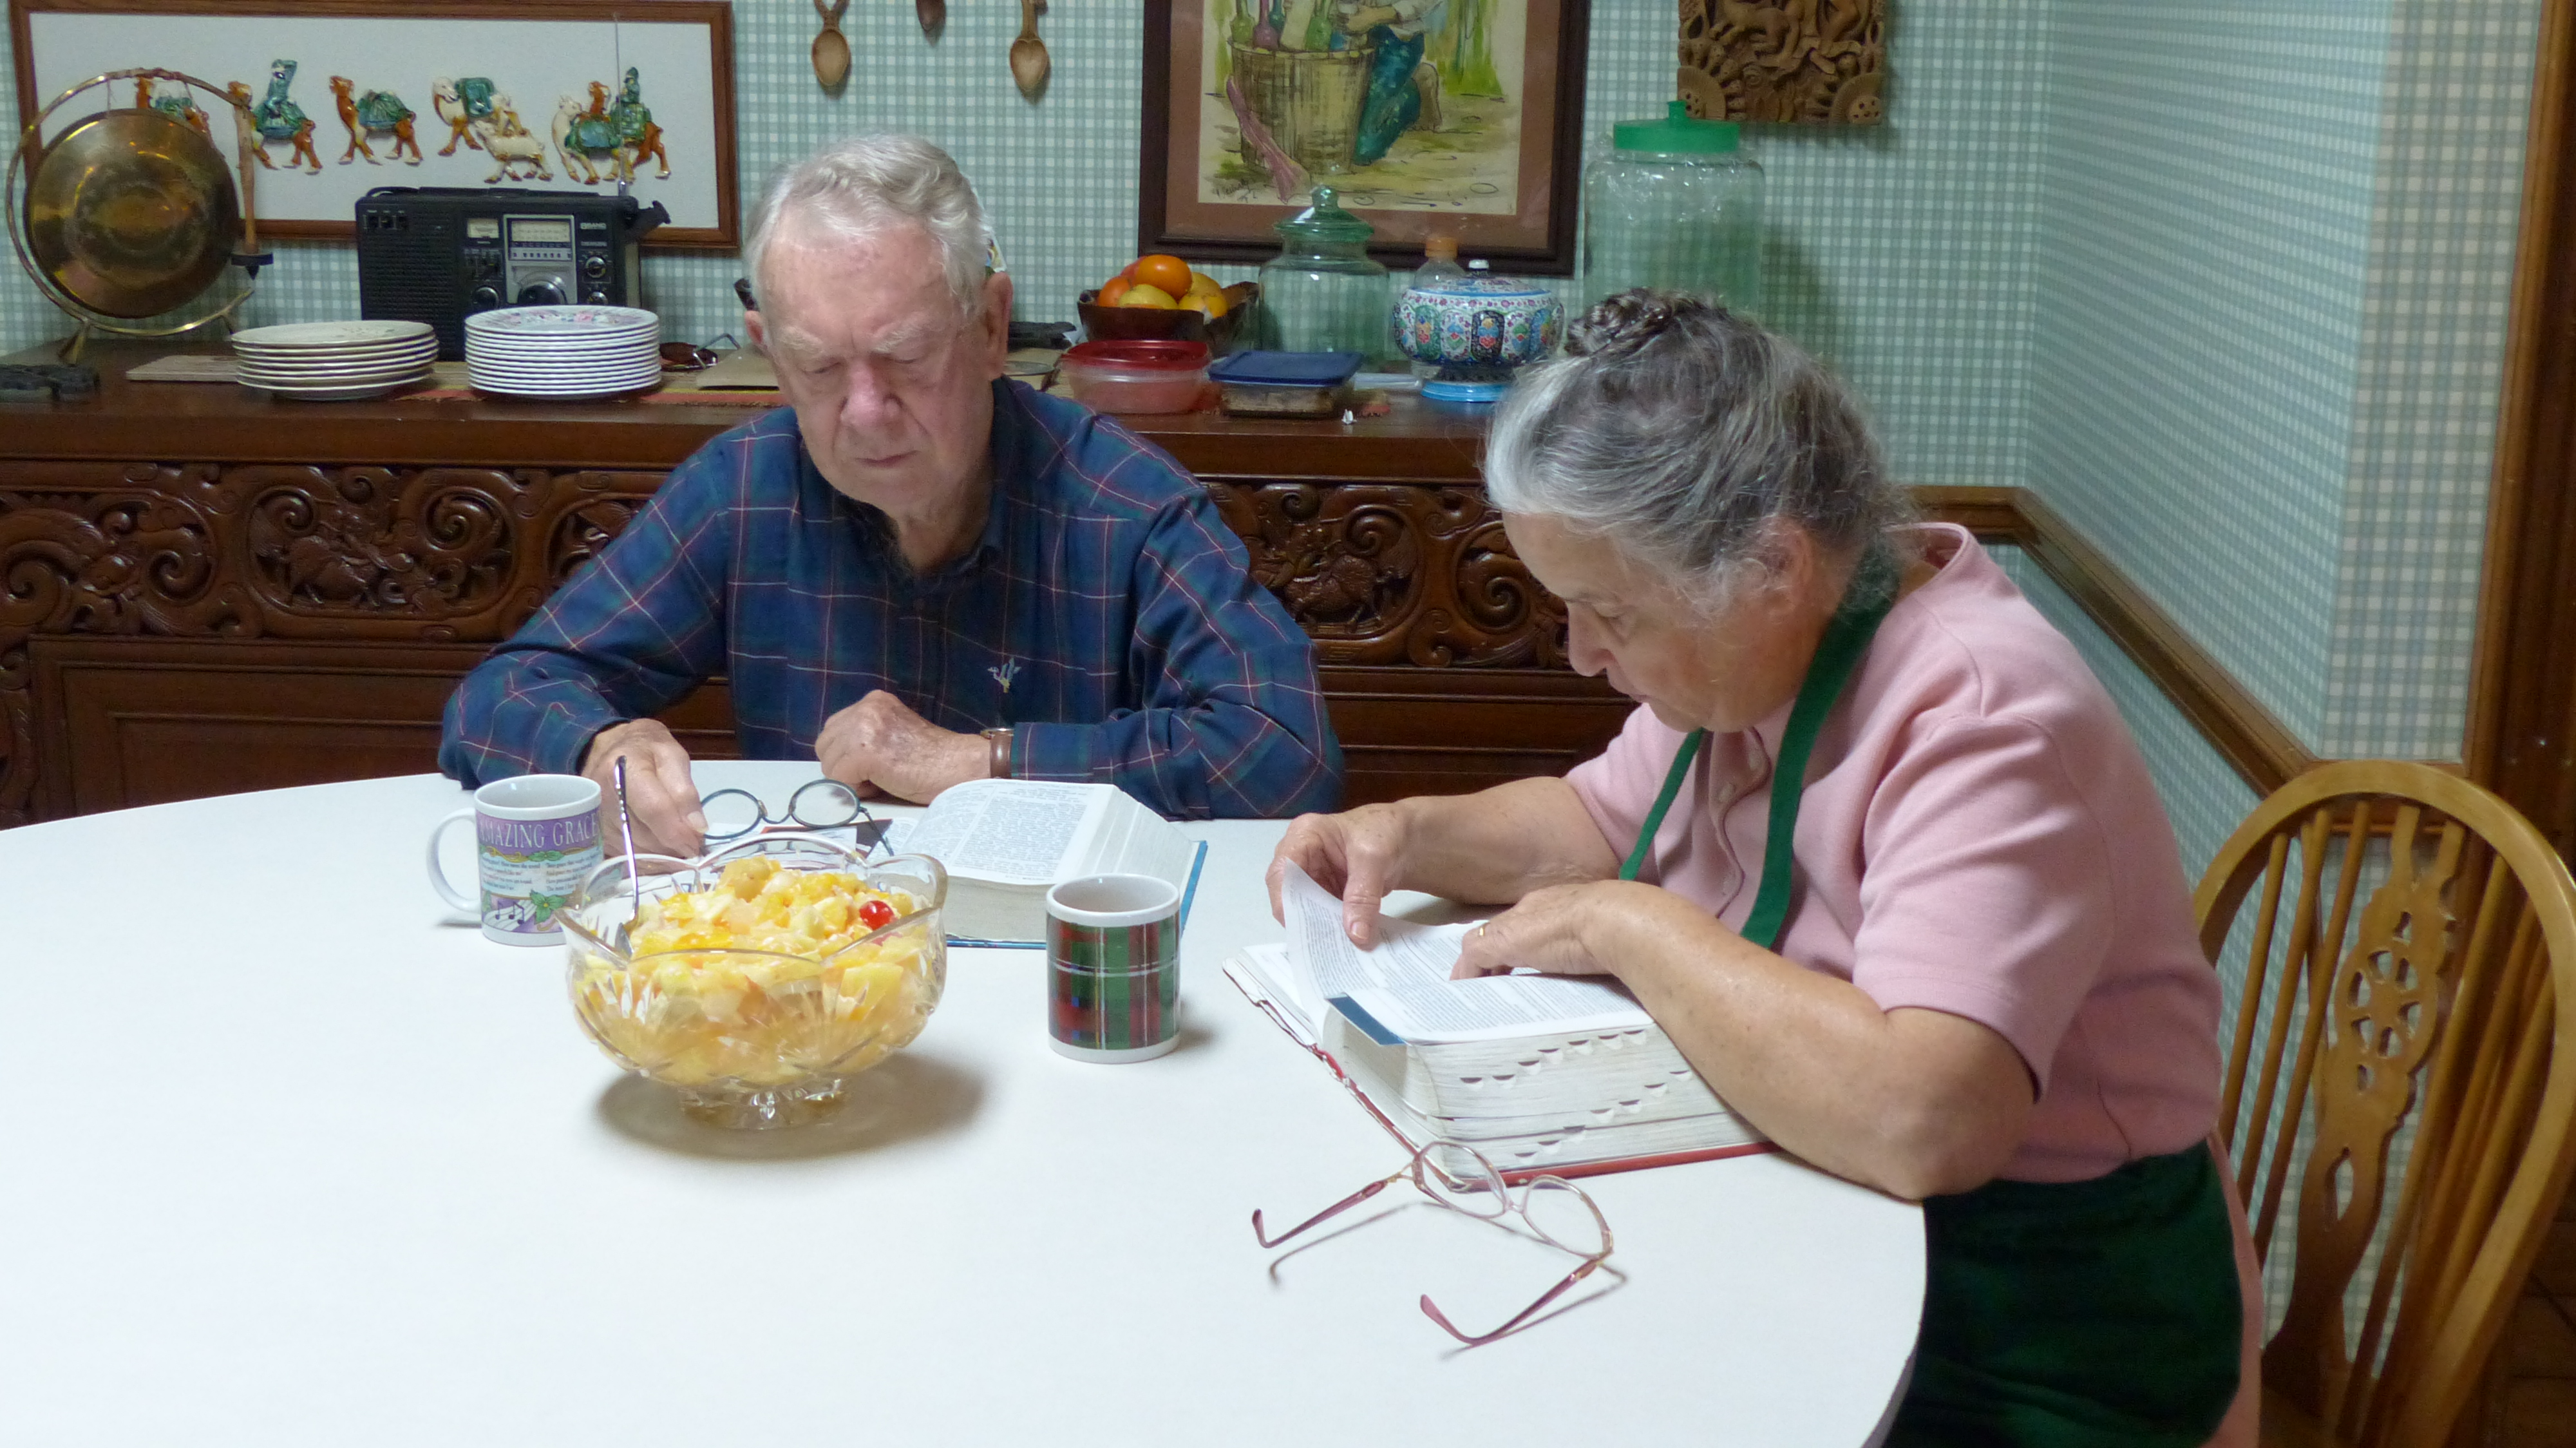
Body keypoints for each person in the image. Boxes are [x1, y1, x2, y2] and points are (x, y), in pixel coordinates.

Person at [1269, 292, 2260, 1444]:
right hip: (1846, 1225)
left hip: (2049, 1315)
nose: (1584, 655)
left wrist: (1627, 926)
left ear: (1772, 564)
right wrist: (1406, 831)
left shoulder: (1985, 719)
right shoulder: (1767, 649)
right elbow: (1596, 819)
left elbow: (1923, 1118)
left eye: (1608, 612)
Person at [440, 135, 1341, 853]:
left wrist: (981, 762)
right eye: (819, 366)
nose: (866, 414)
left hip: (1050, 958)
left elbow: (1286, 753)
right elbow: (502, 694)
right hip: (814, 956)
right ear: (769, 350)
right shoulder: (743, 487)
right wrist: (596, 748)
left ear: (991, 328)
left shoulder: (1124, 503)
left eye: (906, 357)